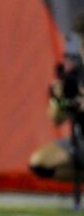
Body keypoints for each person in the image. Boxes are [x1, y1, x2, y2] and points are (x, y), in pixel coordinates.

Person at [29, 17, 84, 183]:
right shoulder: (75, 75)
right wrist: (59, 100)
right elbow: (55, 119)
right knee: (40, 163)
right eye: (83, 44)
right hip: (81, 140)